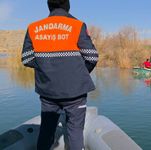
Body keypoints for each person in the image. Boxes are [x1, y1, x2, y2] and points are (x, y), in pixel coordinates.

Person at [21, 0, 98, 150]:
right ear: (67, 6)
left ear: (49, 6)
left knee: (46, 131)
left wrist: (46, 70)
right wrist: (78, 73)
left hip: (48, 92)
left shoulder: (33, 28)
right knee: (75, 132)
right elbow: (92, 57)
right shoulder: (77, 25)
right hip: (76, 93)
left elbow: (27, 58)